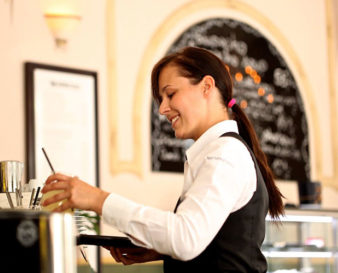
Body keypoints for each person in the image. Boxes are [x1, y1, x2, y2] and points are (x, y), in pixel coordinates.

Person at [41, 46, 284, 272]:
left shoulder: (226, 153)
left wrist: (97, 199)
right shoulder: (216, 152)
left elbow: (185, 238)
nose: (162, 109)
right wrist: (158, 251)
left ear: (206, 86)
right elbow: (209, 242)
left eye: (170, 94)